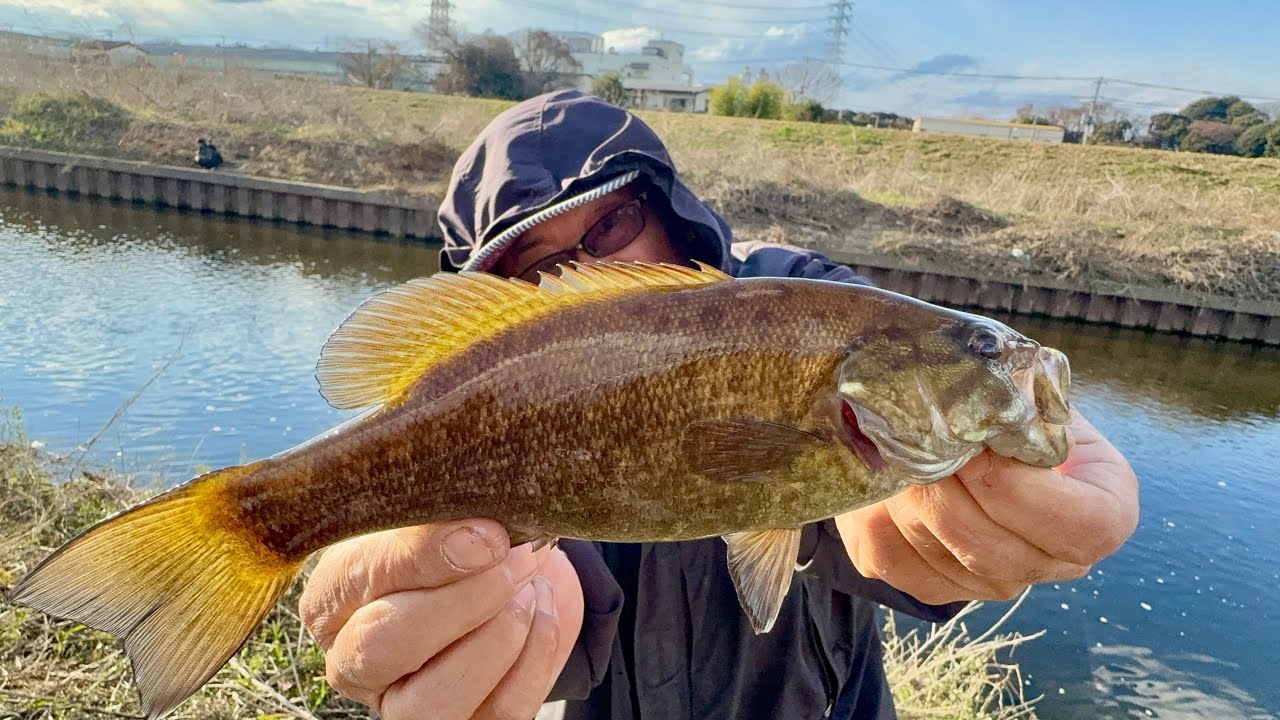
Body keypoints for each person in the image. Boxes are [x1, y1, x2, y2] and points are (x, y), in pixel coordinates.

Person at [297, 90, 1139, 720]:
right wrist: (475, 609)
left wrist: (959, 522)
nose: (592, 273)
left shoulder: (802, 298)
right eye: (538, 270)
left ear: (668, 209)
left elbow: (855, 522)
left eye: (611, 226)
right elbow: (536, 574)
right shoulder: (481, 389)